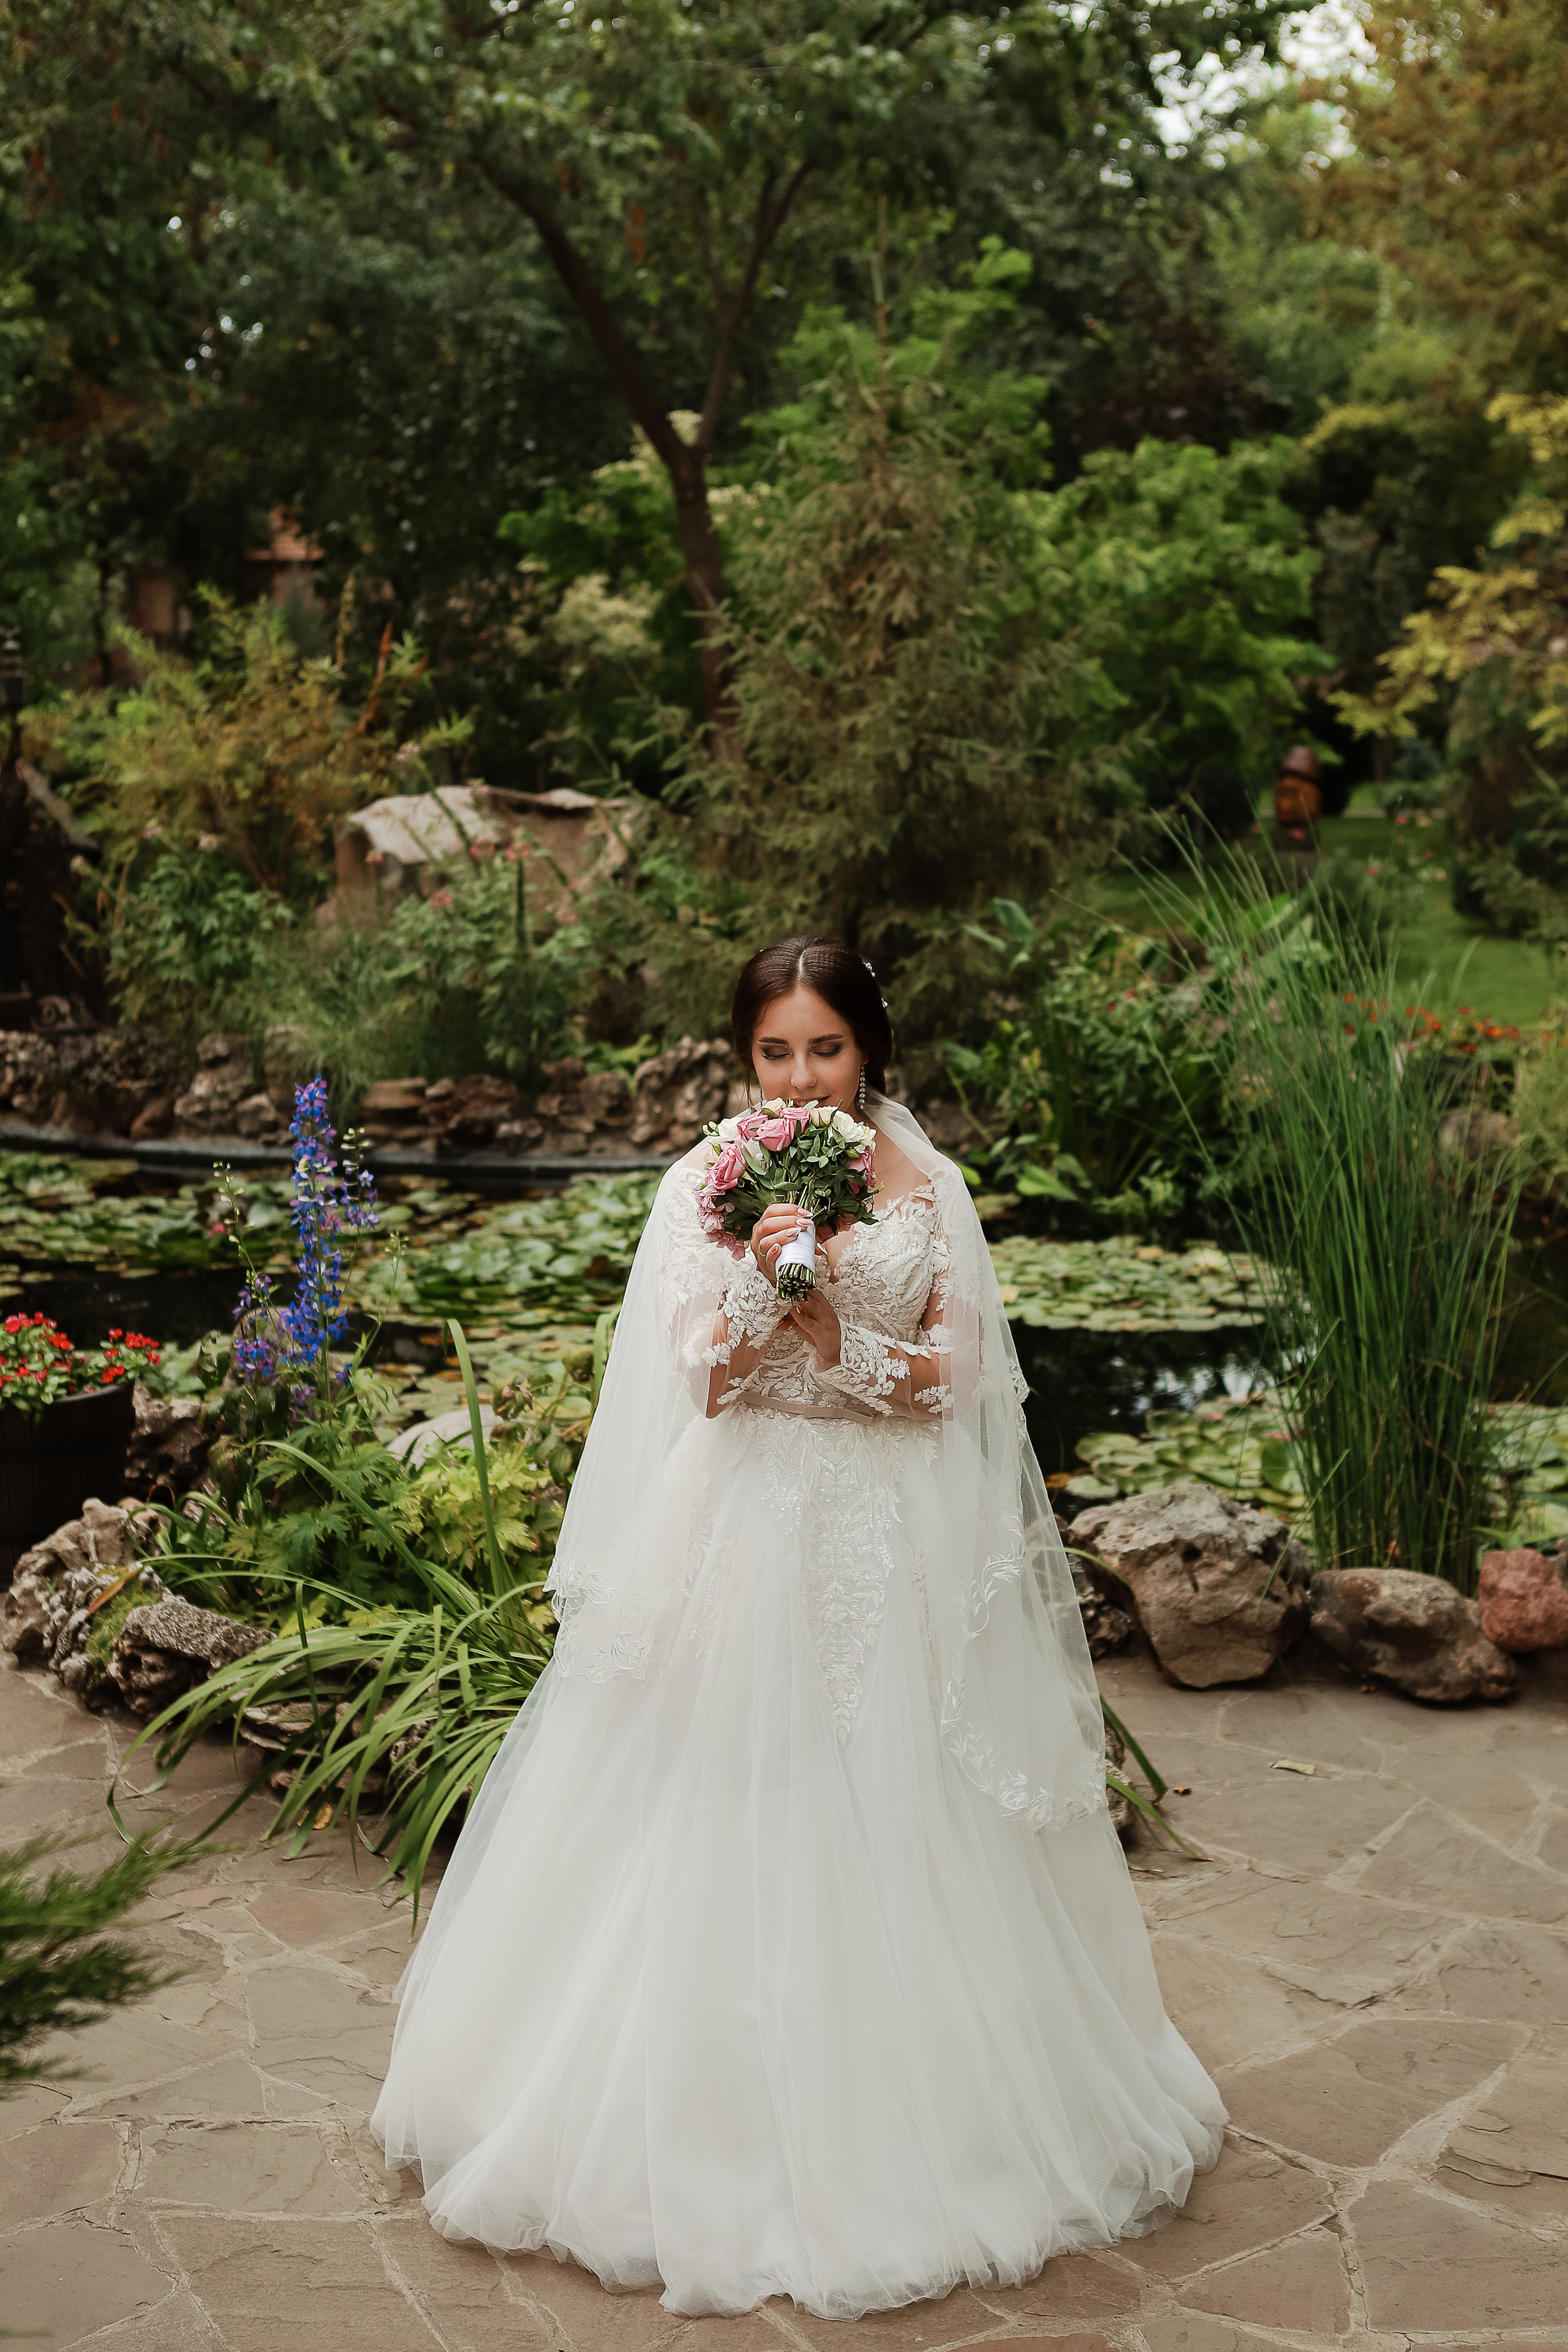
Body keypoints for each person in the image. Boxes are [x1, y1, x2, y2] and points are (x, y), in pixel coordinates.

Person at [371, 935, 1224, 2319]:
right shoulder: (701, 1180)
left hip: (886, 1529)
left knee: (895, 1797)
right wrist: (758, 1288)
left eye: (824, 1047)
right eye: (775, 1051)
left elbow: (955, 1382)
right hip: (741, 1525)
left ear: (869, 1048)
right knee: (719, 1804)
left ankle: (923, 2115)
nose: (800, 1075)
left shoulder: (924, 1181)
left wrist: (834, 1322)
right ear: (744, 1055)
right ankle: (692, 2111)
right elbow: (691, 1387)